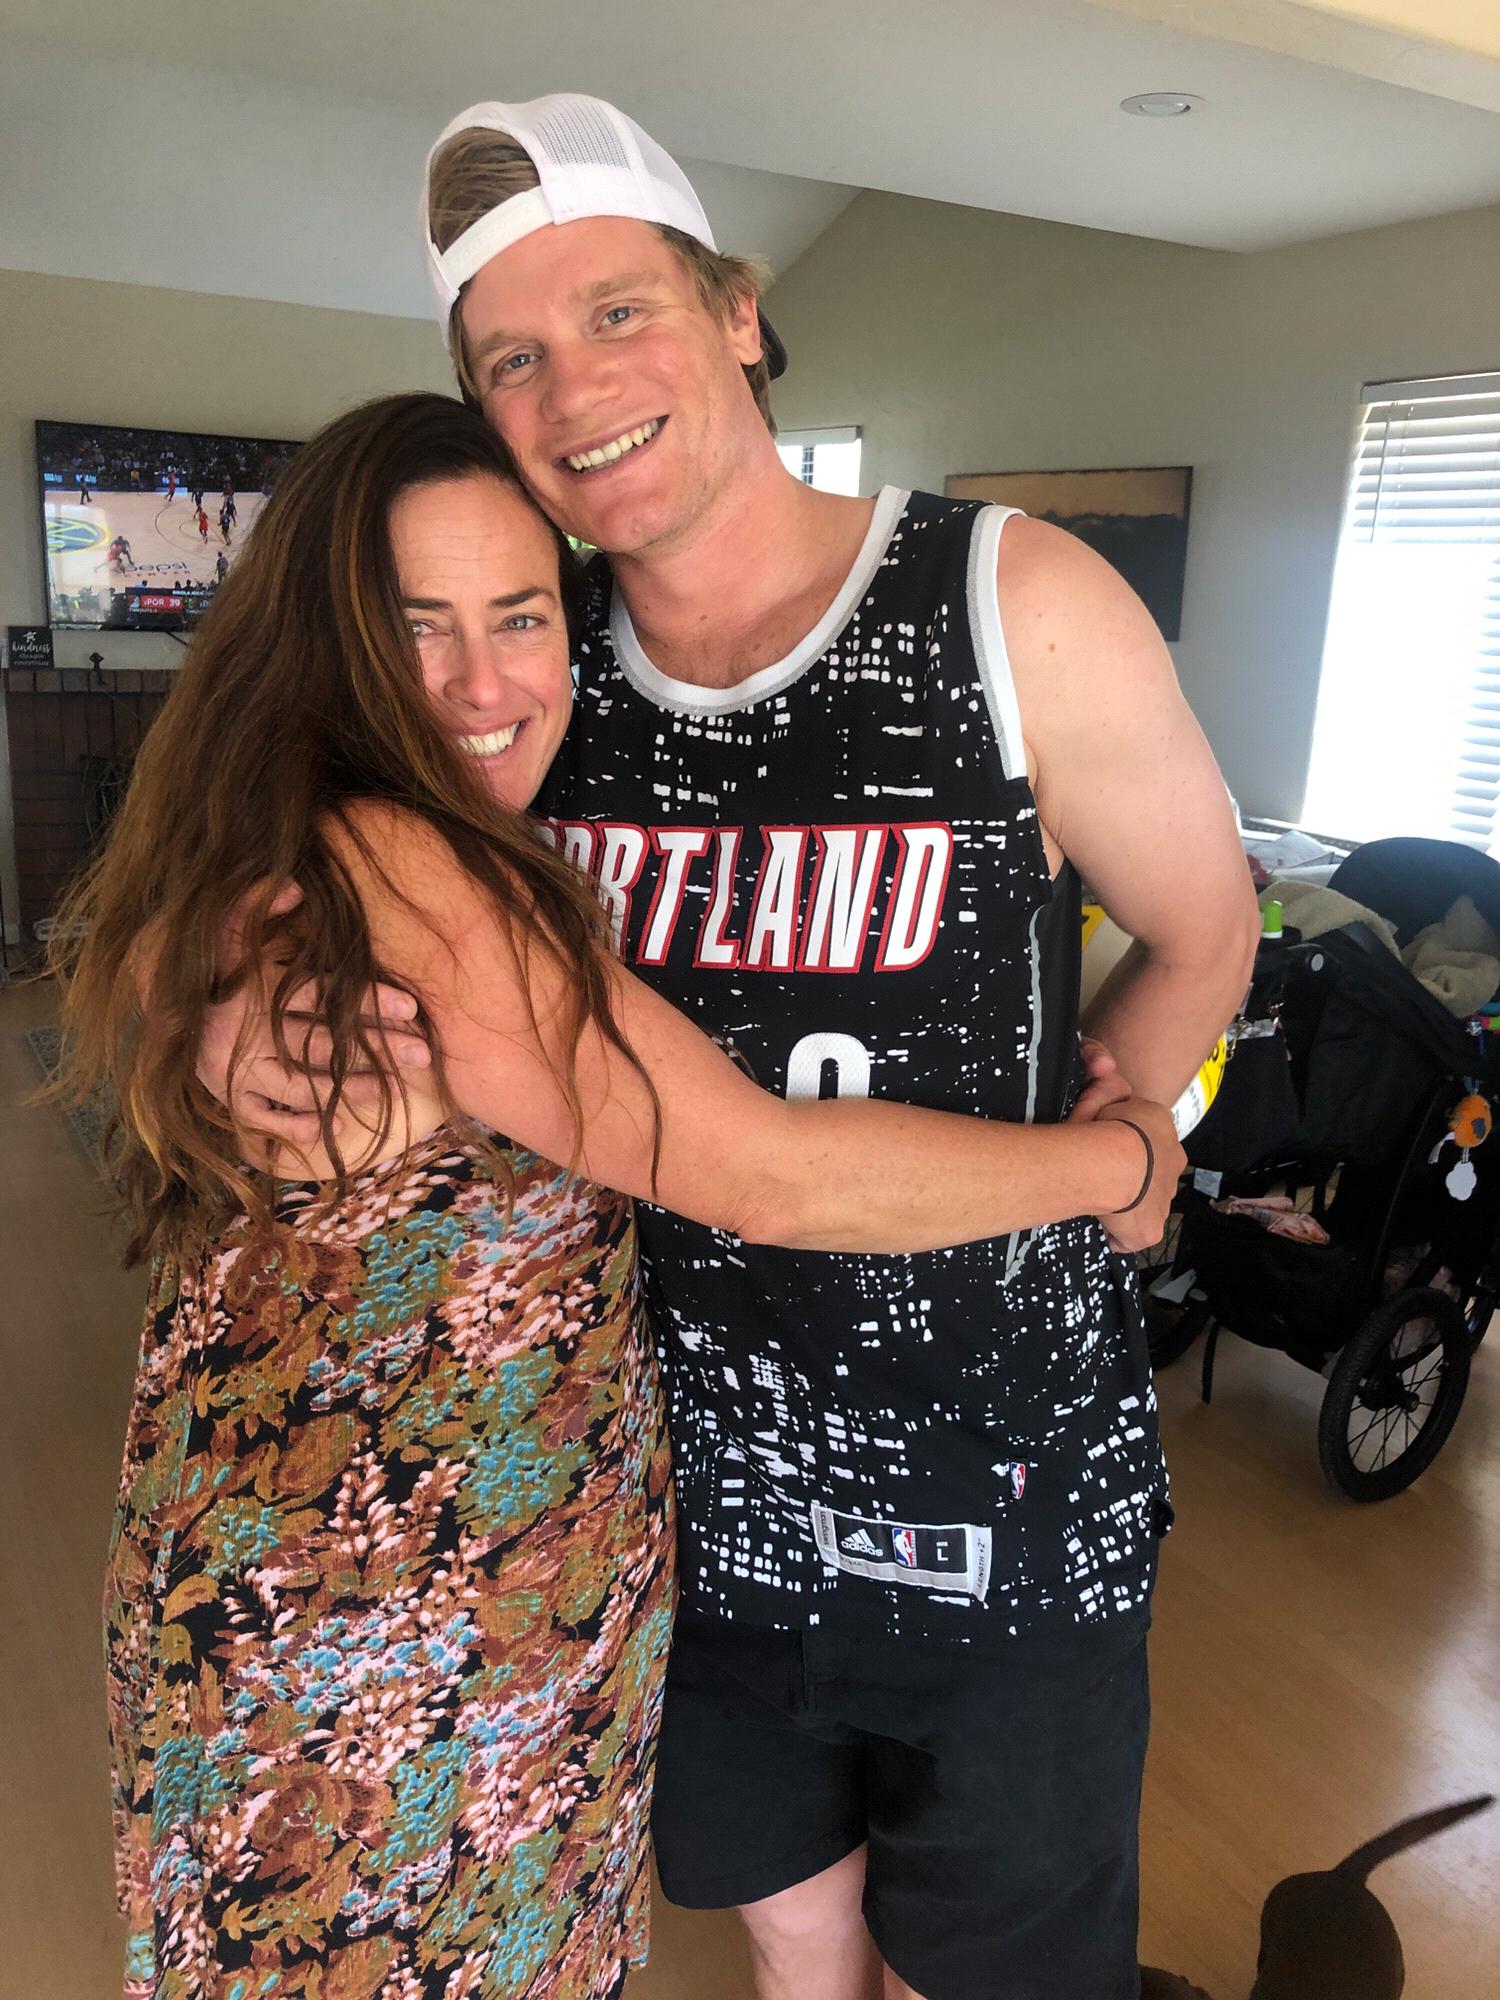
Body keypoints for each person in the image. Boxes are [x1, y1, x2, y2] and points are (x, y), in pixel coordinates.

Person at [206, 94, 1258, 2000]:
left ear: (740, 313)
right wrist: (228, 1011)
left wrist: (1134, 1130)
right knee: (795, 1944)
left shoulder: (1010, 604)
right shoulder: (529, 674)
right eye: (511, 356)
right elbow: (307, 831)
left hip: (1008, 1495)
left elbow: (1207, 929)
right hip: (688, 1497)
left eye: (618, 311)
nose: (574, 386)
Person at [56, 391, 1179, 2000]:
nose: (483, 682)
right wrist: (1119, 1160)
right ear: (325, 643)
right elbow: (758, 1170)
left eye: (522, 616)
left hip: (434, 1578)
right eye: (415, 625)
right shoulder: (405, 857)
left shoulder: (297, 826)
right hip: (392, 1625)